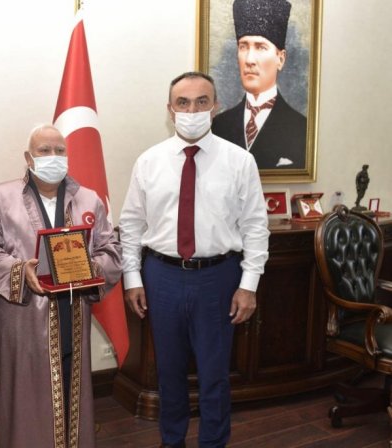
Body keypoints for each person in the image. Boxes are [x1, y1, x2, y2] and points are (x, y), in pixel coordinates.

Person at [119, 72, 269, 448]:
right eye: (183, 102)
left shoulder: (240, 161)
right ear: (170, 110)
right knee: (168, 372)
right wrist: (132, 279)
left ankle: (213, 442)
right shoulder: (149, 161)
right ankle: (172, 441)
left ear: (215, 107)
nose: (192, 110)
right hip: (162, 276)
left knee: (214, 375)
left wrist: (248, 286)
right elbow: (131, 225)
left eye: (202, 101)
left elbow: (255, 227)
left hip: (218, 278)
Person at [0, 124, 122, 448]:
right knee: (27, 396)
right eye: (44, 150)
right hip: (23, 319)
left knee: (71, 385)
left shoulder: (89, 199)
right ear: (28, 157)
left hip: (74, 313)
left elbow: (111, 251)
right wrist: (18, 270)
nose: (53, 157)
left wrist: (91, 268)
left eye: (59, 151)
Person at [211, 0, 307, 170]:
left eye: (260, 47)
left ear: (280, 59)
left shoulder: (300, 127)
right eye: (243, 47)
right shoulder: (219, 125)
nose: (249, 60)